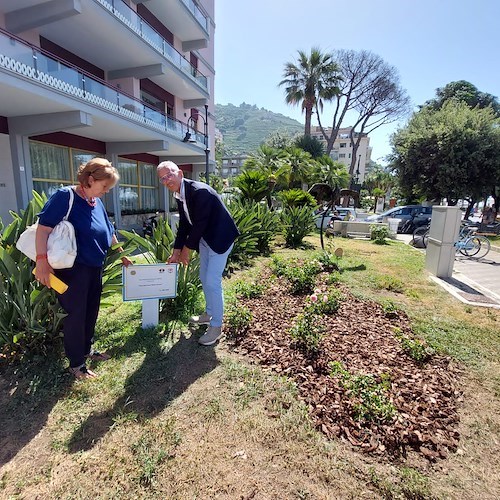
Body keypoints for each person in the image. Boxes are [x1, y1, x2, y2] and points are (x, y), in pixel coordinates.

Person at [35, 157, 132, 379]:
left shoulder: (95, 202)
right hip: (72, 269)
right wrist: (42, 261)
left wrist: (122, 255)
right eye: (104, 186)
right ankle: (76, 363)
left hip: (94, 267)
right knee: (76, 315)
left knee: (91, 311)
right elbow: (43, 229)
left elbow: (109, 230)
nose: (106, 191)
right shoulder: (65, 197)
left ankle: (87, 350)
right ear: (90, 179)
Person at [157, 161, 239, 346]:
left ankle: (216, 327)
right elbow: (185, 225)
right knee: (204, 277)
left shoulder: (199, 191)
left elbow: (200, 223)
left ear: (179, 172)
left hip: (220, 239)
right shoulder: (180, 194)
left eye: (169, 175)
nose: (166, 180)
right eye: (162, 178)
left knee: (212, 281)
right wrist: (176, 251)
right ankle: (209, 314)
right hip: (205, 239)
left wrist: (186, 251)